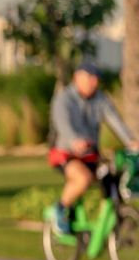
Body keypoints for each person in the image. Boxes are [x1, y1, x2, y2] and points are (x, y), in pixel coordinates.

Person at [46, 57, 135, 235]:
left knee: (113, 178)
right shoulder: (64, 99)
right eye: (89, 77)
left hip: (91, 154)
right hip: (65, 153)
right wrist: (74, 141)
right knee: (83, 179)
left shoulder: (100, 99)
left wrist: (131, 141)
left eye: (96, 78)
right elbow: (63, 124)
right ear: (77, 77)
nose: (94, 82)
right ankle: (60, 209)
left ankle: (112, 220)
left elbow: (115, 121)